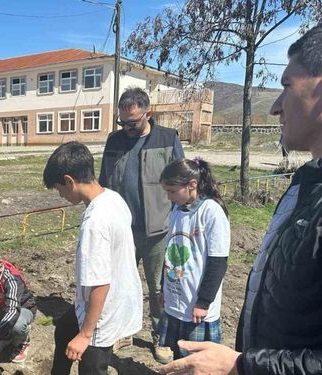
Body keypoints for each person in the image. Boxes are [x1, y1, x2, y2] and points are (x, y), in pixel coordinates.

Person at [160, 24, 322, 375]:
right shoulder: (305, 183)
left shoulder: (213, 213)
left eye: (286, 87)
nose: (275, 107)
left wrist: (241, 366)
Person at [98, 87, 184, 362]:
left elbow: (182, 180)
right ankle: (124, 330)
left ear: (148, 113)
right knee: (122, 283)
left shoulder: (168, 139)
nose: (126, 128)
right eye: (122, 122)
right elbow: (103, 182)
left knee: (158, 287)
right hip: (122, 230)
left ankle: (161, 335)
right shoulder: (114, 141)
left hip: (157, 230)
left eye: (132, 122)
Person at [44, 141, 143, 375]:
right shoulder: (112, 198)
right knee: (64, 330)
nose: (61, 195)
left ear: (70, 181)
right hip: (110, 299)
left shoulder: (95, 223)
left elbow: (100, 282)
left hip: (101, 314)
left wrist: (86, 334)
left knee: (91, 366)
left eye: (60, 189)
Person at [156, 158, 230, 363]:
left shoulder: (211, 212)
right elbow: (171, 251)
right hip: (176, 298)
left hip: (196, 305)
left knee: (197, 361)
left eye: (172, 191)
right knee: (178, 357)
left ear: (192, 185)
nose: (169, 197)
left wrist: (203, 302)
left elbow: (218, 262)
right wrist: (164, 287)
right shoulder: (177, 210)